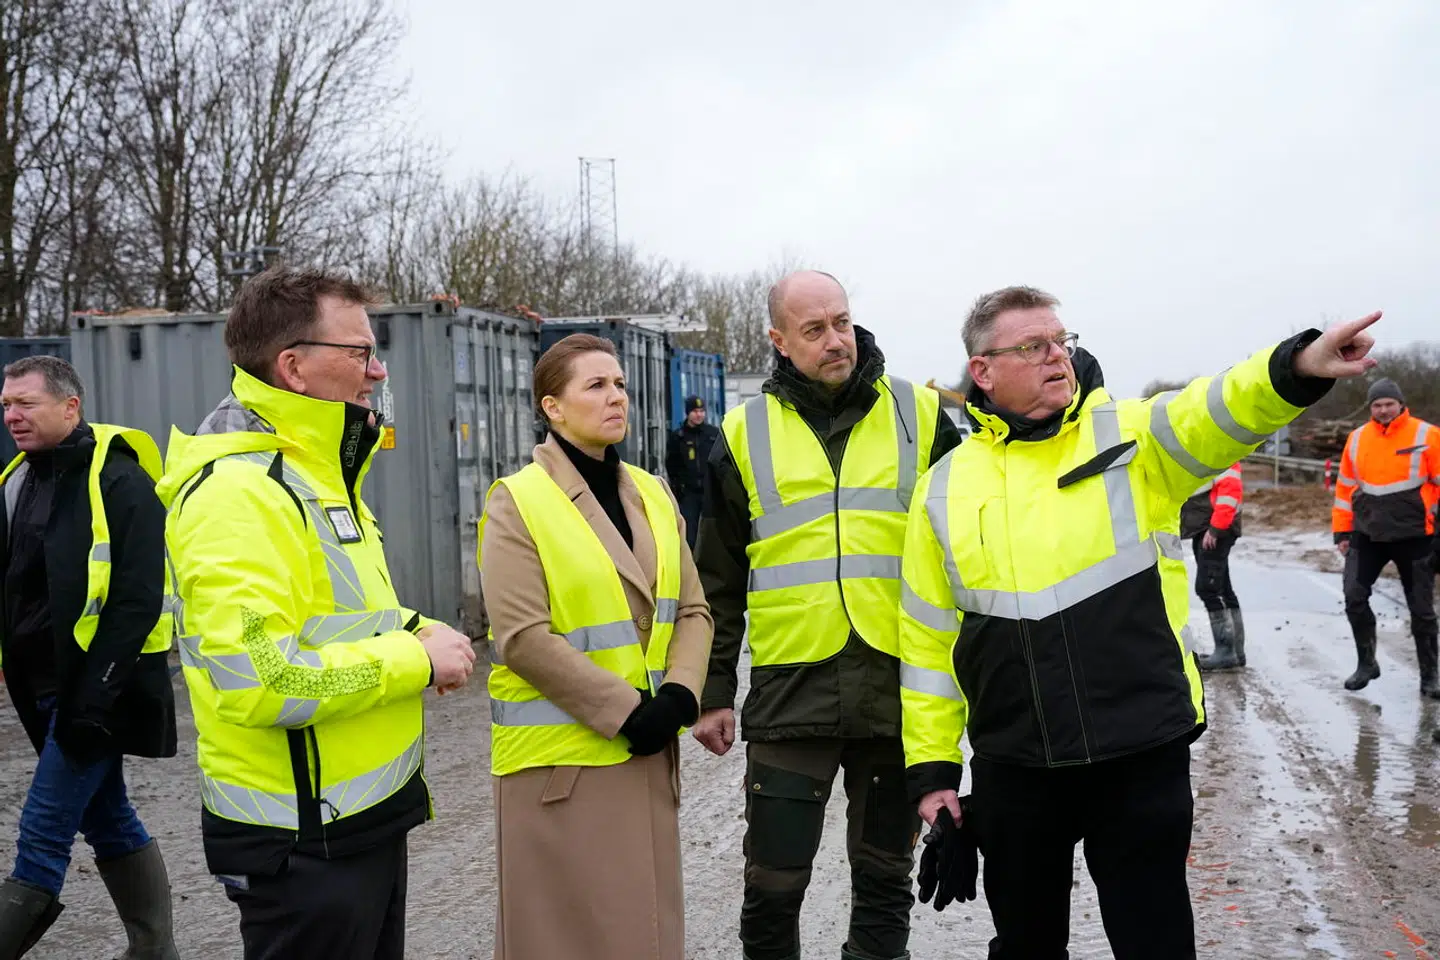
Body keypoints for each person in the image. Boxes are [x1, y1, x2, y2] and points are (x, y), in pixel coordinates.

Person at [898, 285, 1380, 959]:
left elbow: (1218, 407)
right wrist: (934, 771)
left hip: (1137, 754)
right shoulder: (942, 488)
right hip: (1017, 767)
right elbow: (926, 641)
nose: (1056, 358)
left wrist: (1296, 366)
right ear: (983, 370)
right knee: (1026, 946)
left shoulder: (1133, 437)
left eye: (1060, 342)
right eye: (1032, 347)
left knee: (1153, 941)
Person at [157, 266, 477, 960]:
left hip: (354, 828)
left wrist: (418, 628)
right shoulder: (236, 494)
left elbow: (341, 618)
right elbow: (264, 676)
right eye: (360, 352)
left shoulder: (312, 476)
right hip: (303, 847)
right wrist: (414, 659)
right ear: (294, 367)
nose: (378, 372)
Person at [693, 270, 963, 960]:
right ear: (779, 340)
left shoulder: (921, 416)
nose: (835, 339)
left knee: (884, 881)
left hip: (896, 689)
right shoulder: (742, 432)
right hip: (791, 692)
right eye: (814, 330)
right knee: (773, 887)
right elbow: (716, 582)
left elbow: (973, 551)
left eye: (841, 322)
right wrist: (713, 692)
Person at [479, 333, 712, 960]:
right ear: (552, 407)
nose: (617, 397)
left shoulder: (653, 493)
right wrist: (629, 710)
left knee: (646, 936)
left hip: (647, 753)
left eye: (621, 385)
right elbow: (523, 638)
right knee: (564, 940)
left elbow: (692, 609)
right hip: (564, 769)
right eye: (597, 385)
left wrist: (682, 696)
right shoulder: (517, 501)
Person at [0, 356, 179, 959]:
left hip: (98, 693)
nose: (11, 415)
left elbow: (136, 601)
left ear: (70, 406)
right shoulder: (17, 481)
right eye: (5, 405)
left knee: (42, 834)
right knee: (107, 819)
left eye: (25, 403)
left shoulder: (121, 481)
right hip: (42, 690)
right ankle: (156, 952)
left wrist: (94, 696)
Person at [1332, 378, 1440, 697]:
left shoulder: (1427, 435)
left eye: (1388, 404)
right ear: (1370, 408)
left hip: (1416, 536)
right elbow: (1344, 489)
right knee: (1353, 596)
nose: (1382, 410)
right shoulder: (1357, 438)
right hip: (1367, 534)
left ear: (1400, 403)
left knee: (1422, 610)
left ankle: (1430, 676)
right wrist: (1341, 530)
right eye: (1376, 405)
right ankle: (1367, 663)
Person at [1181, 462, 1247, 670]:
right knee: (1223, 589)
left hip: (1215, 529)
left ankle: (1226, 650)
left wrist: (1216, 528)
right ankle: (1235, 651)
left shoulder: (1223, 454)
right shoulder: (1208, 453)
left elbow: (1230, 491)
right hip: (1207, 528)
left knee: (1209, 588)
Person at [666, 394, 720, 549]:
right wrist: (678, 489)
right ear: (688, 413)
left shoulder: (713, 434)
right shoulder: (678, 437)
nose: (699, 415)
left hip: (710, 492)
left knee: (712, 531)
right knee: (689, 534)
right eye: (695, 411)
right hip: (688, 494)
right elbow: (671, 465)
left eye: (702, 411)